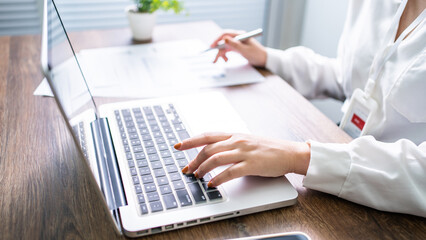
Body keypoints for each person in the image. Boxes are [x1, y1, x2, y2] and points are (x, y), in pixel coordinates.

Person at [174, 0, 426, 218]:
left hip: (396, 208)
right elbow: (349, 78)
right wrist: (268, 58)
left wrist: (298, 156)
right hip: (340, 161)